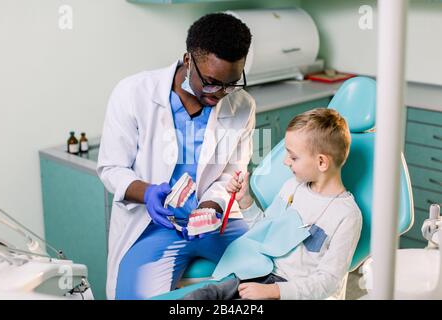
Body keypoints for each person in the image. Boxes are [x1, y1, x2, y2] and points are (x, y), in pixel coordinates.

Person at [97, 13, 255, 300]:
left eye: (230, 84)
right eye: (210, 82)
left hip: (216, 223)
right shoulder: (133, 93)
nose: (220, 93)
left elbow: (230, 175)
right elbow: (111, 168)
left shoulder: (242, 106)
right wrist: (148, 193)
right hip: (154, 224)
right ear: (187, 60)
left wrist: (209, 207)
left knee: (269, 274)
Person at [183, 108, 362, 300]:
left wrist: (274, 291)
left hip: (293, 292)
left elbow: (328, 282)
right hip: (262, 274)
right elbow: (266, 233)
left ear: (321, 162)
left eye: (293, 157)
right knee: (208, 294)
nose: (285, 162)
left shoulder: (346, 216)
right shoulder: (293, 187)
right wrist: (245, 201)